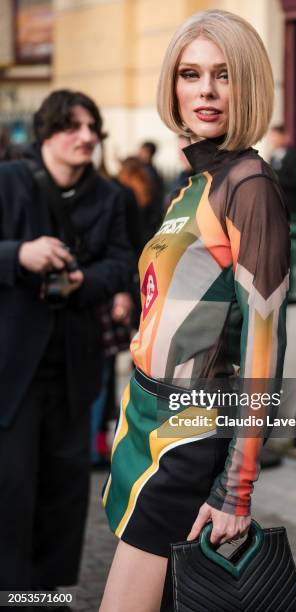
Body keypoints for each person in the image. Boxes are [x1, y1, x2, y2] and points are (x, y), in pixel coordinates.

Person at [101, 9, 290, 612]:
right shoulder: (190, 186)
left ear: (250, 85)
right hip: (146, 418)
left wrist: (237, 486)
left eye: (224, 75)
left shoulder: (248, 183)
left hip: (191, 428)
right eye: (190, 73)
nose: (205, 90)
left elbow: (265, 344)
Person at [0, 89, 131, 591]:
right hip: (12, 370)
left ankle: (45, 598)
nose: (87, 137)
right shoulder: (9, 181)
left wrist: (85, 282)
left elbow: (123, 262)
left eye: (93, 128)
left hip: (77, 368)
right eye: (74, 127)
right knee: (12, 492)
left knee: (65, 493)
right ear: (47, 133)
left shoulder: (110, 195)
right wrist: (19, 254)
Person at [269, 125, 296, 219]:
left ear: (283, 136)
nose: (273, 140)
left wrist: (275, 179)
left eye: (275, 136)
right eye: (272, 137)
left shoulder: (293, 156)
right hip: (276, 204)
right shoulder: (272, 156)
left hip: (290, 204)